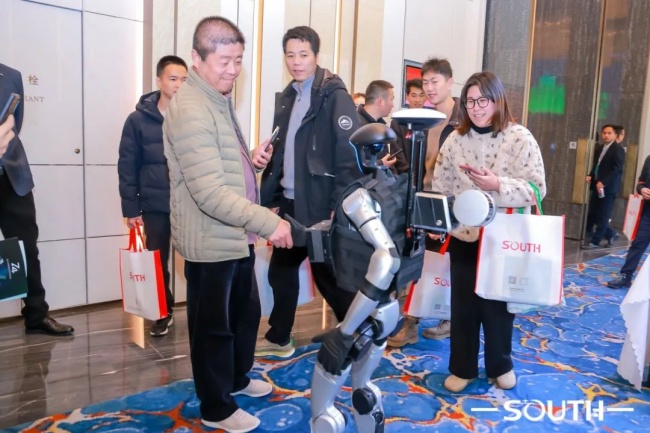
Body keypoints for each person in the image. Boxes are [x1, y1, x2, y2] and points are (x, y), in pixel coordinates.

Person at [163, 16, 293, 433]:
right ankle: (216, 407)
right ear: (197, 58)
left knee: (243, 314)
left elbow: (219, 165)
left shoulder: (216, 99)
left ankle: (236, 379)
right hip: (209, 238)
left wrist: (249, 162)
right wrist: (268, 222)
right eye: (224, 61)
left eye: (238, 60)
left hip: (235, 235)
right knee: (213, 329)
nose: (233, 70)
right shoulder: (191, 109)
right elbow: (209, 192)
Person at [431, 71, 546, 392]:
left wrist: (498, 184)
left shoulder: (520, 137)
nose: (476, 108)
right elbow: (441, 185)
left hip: (504, 238)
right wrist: (440, 223)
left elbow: (537, 189)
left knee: (498, 309)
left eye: (483, 100)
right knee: (463, 307)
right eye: (470, 102)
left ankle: (501, 364)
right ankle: (462, 367)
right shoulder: (455, 140)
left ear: (497, 100)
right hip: (464, 235)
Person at [253, 26, 361, 358]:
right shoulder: (289, 96)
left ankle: (357, 334)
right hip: (290, 203)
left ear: (316, 56)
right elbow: (282, 152)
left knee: (328, 277)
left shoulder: (333, 95)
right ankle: (280, 338)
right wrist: (272, 198)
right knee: (282, 271)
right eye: (290, 55)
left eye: (303, 54)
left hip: (319, 204)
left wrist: (338, 204)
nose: (296, 61)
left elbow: (349, 154)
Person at [388, 58, 461, 346]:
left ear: (449, 82)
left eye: (435, 82)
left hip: (454, 203)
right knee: (420, 262)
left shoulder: (462, 120)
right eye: (426, 82)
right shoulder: (425, 119)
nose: (429, 88)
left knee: (451, 264)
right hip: (425, 199)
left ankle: (451, 318)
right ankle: (411, 324)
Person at [0, 63, 74, 336]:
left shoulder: (11, 76)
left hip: (11, 175)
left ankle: (36, 314)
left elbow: (14, 125)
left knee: (26, 248)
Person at [118, 55, 188, 337]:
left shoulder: (192, 116)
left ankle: (204, 311)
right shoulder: (137, 120)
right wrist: (131, 208)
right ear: (159, 81)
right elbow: (127, 166)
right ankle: (162, 312)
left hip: (189, 203)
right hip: (155, 204)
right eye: (173, 79)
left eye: (184, 80)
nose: (179, 84)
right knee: (157, 261)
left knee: (197, 259)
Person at [607, 154, 650, 289]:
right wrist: (642, 189)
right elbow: (641, 182)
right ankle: (625, 276)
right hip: (648, 213)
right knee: (638, 244)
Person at [583, 124, 626, 249]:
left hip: (608, 188)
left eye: (609, 133)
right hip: (597, 186)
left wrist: (604, 182)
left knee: (603, 215)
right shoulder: (600, 148)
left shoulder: (618, 150)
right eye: (604, 133)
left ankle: (595, 242)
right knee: (593, 213)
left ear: (615, 135)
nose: (606, 135)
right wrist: (591, 175)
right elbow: (597, 165)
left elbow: (617, 169)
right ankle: (611, 234)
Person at [356, 80, 397, 169]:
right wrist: (380, 164)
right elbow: (352, 163)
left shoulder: (381, 126)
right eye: (391, 99)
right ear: (380, 101)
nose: (393, 105)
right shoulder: (355, 125)